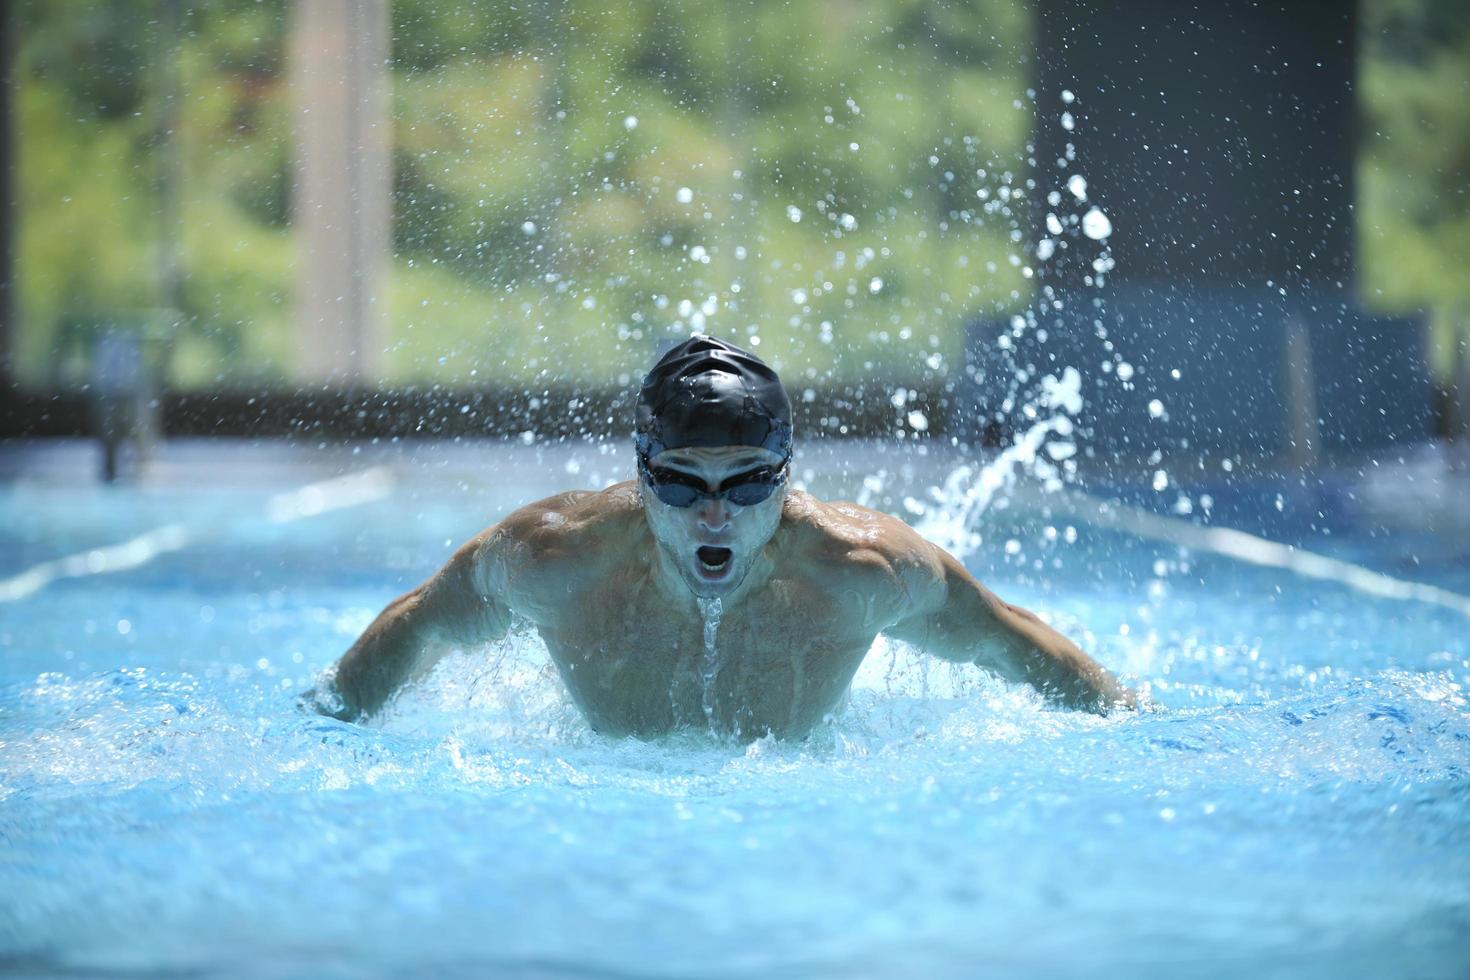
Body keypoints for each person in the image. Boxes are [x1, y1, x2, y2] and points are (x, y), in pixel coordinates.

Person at [323, 335, 1135, 739]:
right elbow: (421, 620)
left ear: (786, 477)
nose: (715, 514)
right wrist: (324, 723)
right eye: (682, 482)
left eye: (746, 483)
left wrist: (1135, 724)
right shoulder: (554, 559)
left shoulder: (863, 572)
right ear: (641, 477)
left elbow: (1009, 640)